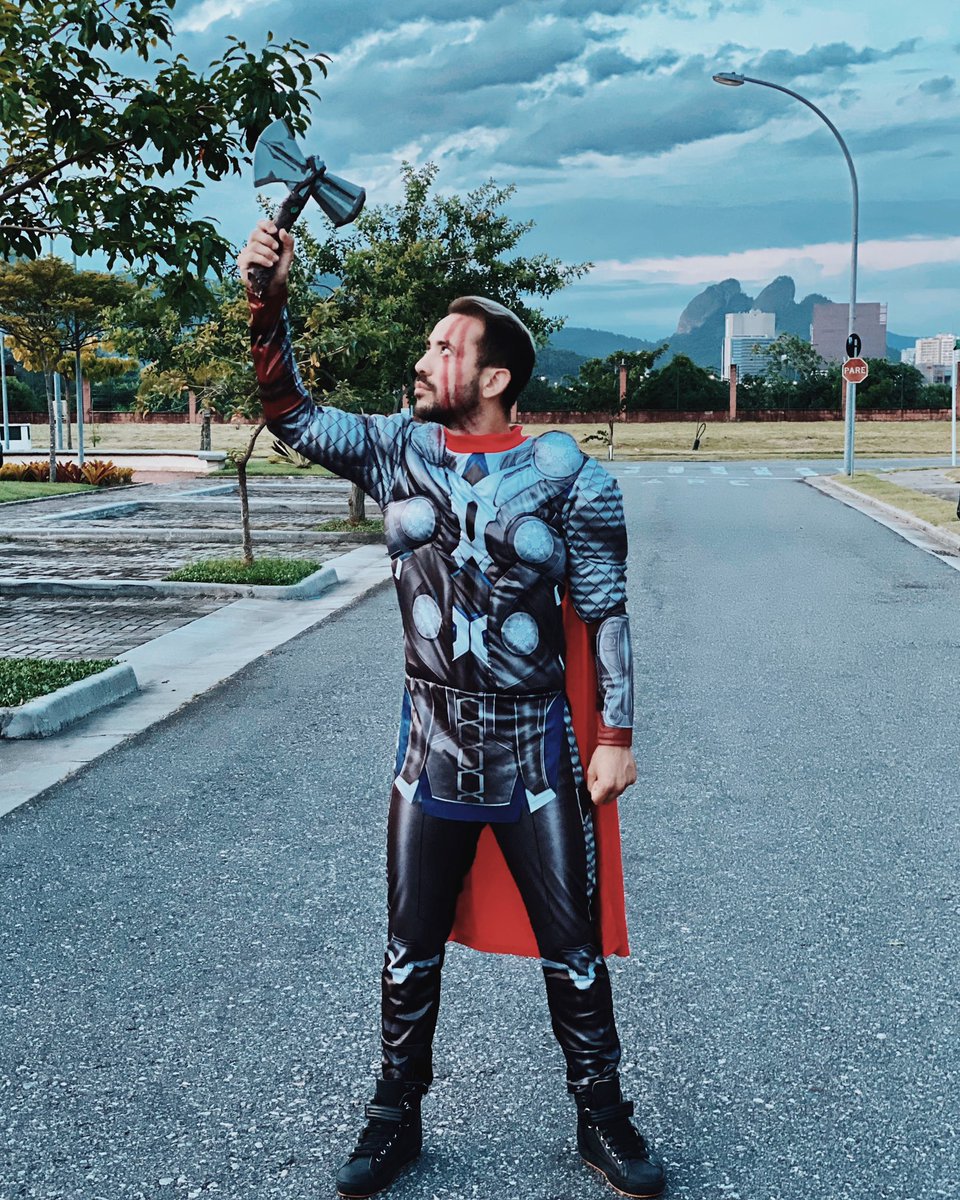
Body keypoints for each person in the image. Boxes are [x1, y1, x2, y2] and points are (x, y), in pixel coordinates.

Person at [238, 219, 665, 1200]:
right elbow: (291, 413)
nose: (424, 359)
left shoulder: (571, 479)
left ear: (496, 376)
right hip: (428, 742)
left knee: (573, 951)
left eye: (444, 346)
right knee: (408, 949)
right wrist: (267, 302)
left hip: (533, 746)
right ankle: (395, 1114)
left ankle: (603, 1114)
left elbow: (606, 614)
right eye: (429, 344)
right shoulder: (399, 450)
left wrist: (615, 735)